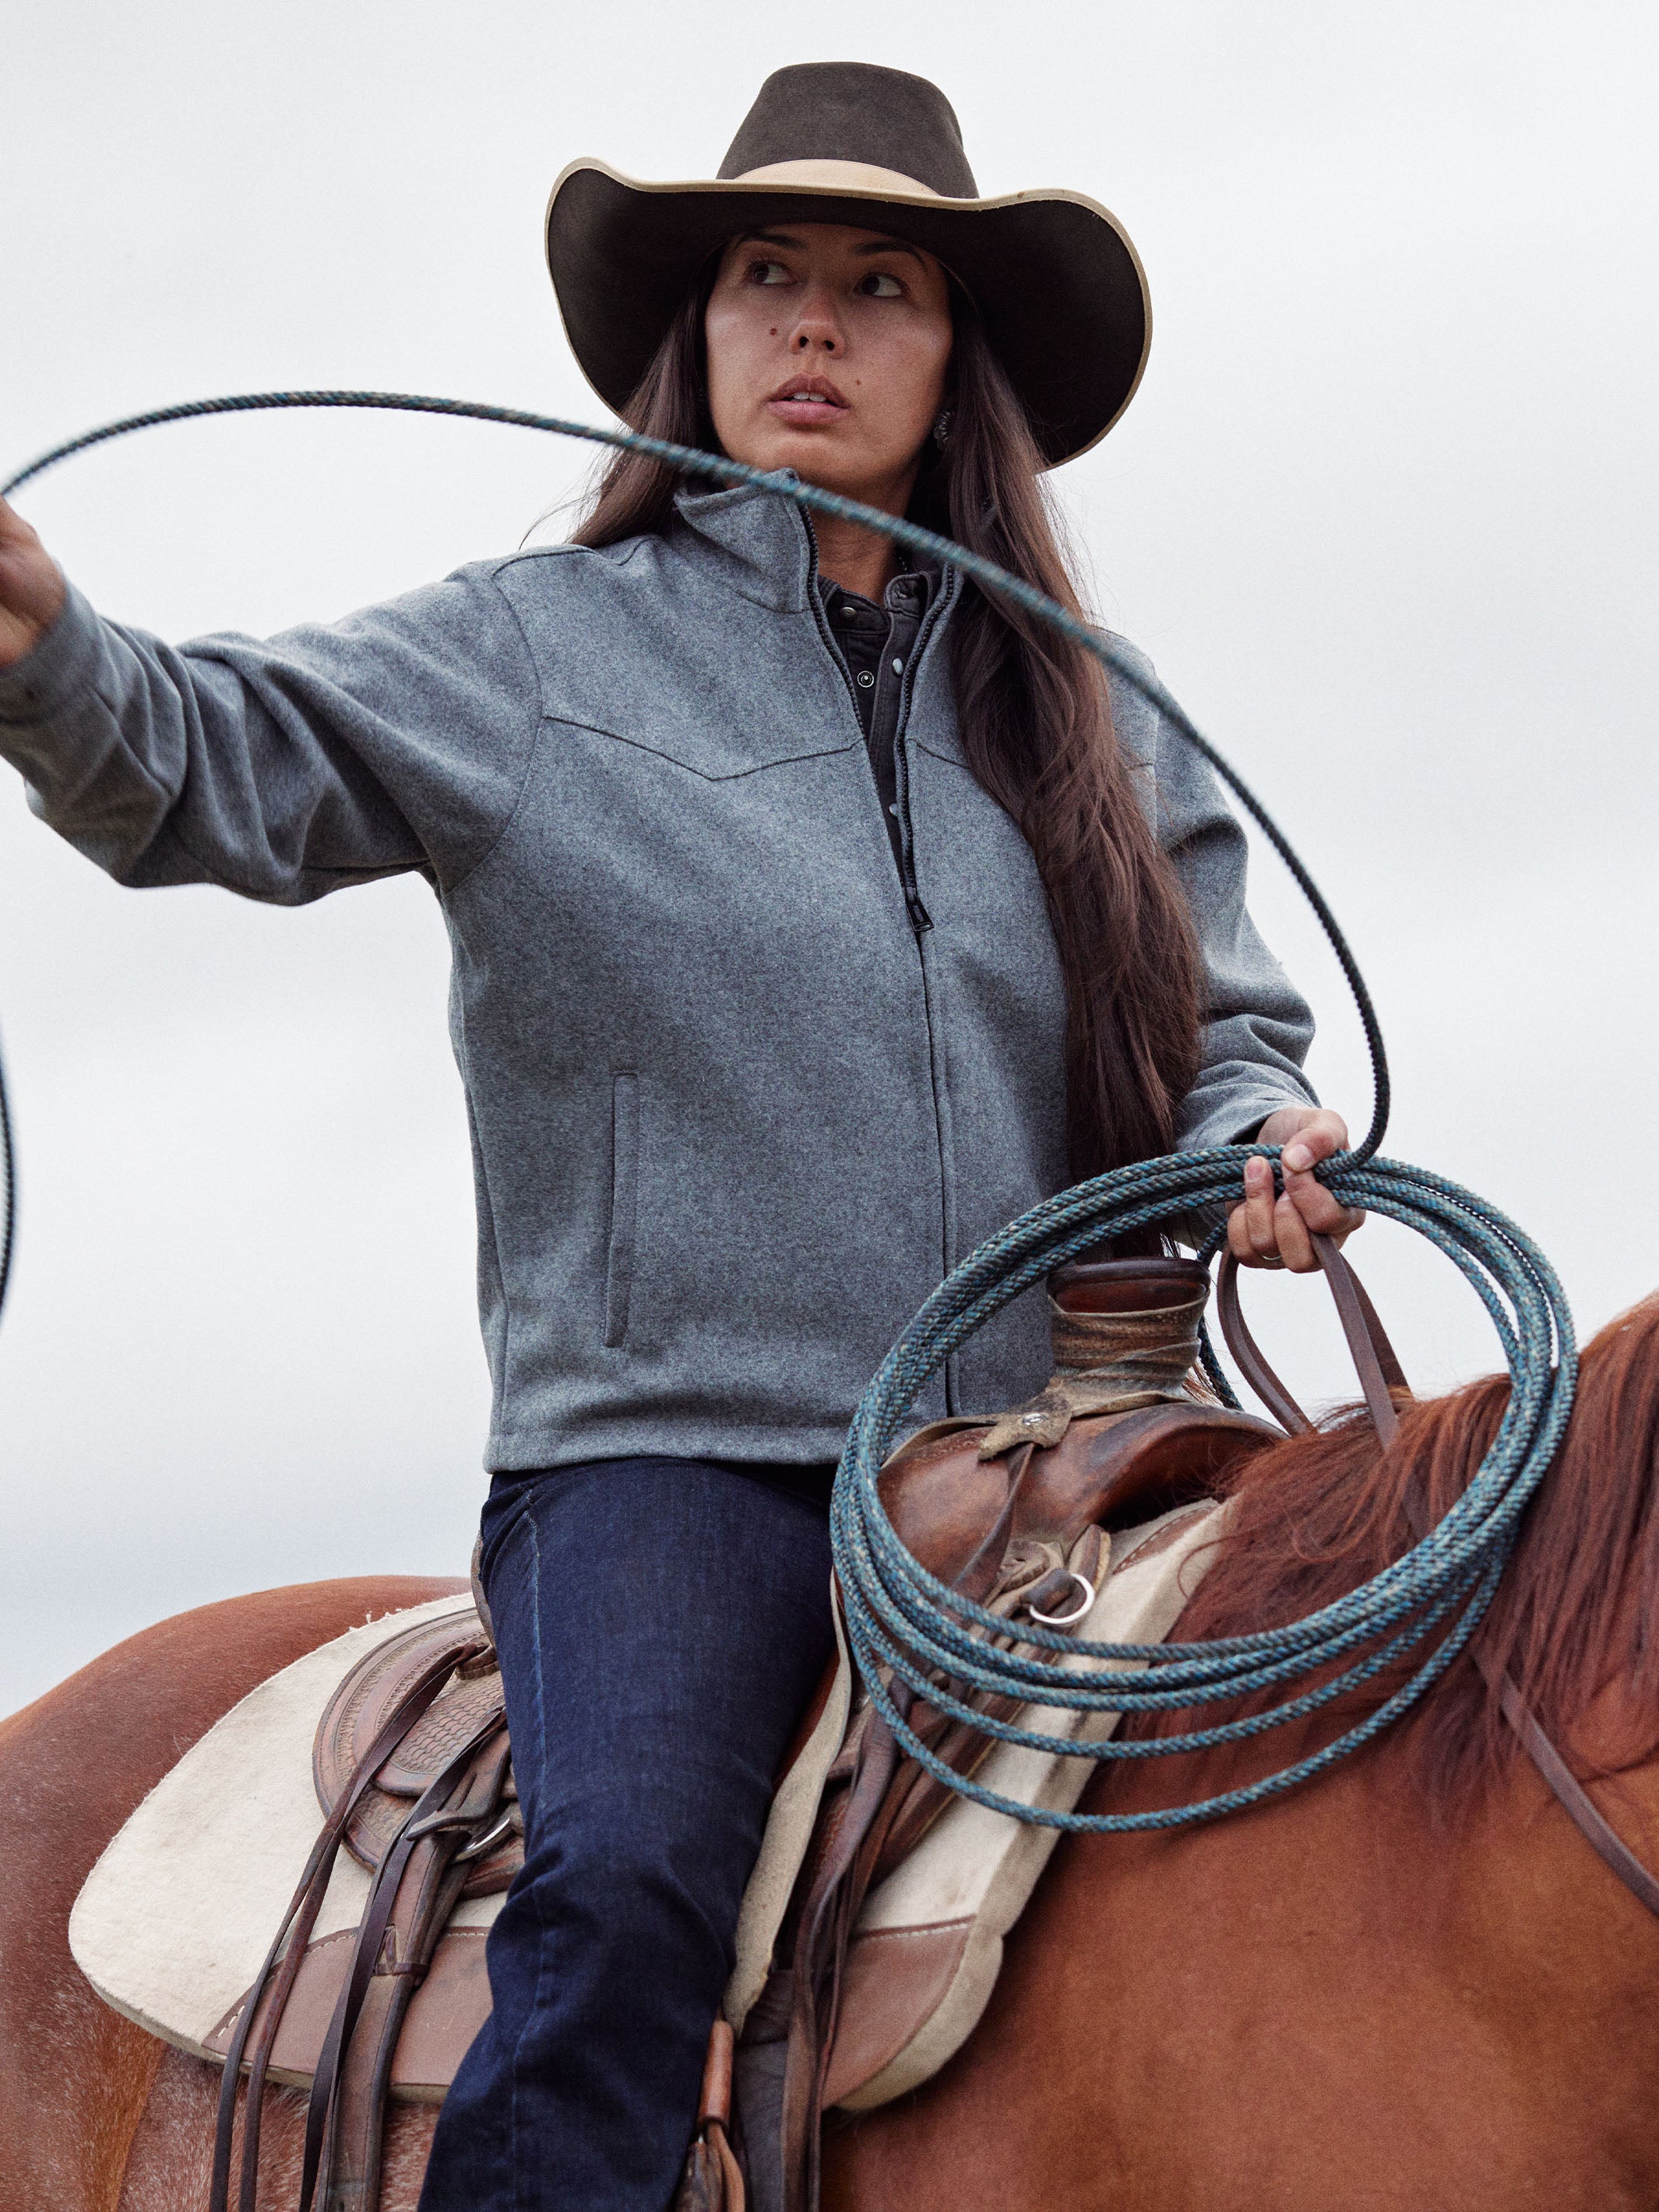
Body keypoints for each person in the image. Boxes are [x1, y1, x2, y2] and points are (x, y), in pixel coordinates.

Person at [0, 60, 1362, 2212]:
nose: (814, 322)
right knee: (630, 1892)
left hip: (1057, 1452)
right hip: (675, 1455)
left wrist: (1265, 1134)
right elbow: (206, 761)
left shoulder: (1089, 706)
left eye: (881, 284)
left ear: (959, 355)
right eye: (765, 276)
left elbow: (1226, 1031)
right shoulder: (535, 652)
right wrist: (46, 654)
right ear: (698, 334)